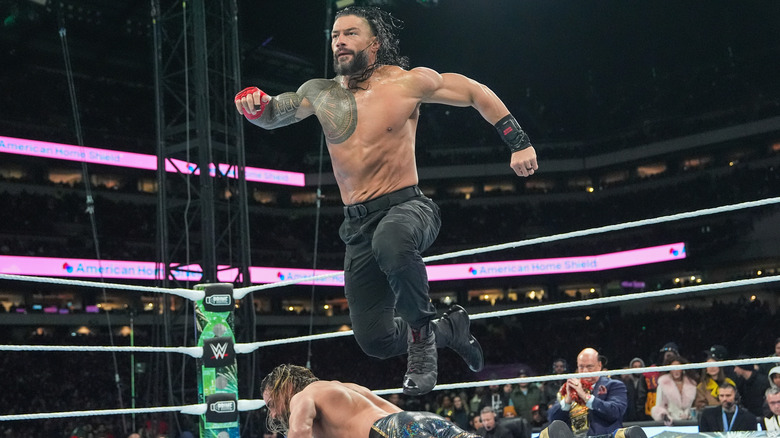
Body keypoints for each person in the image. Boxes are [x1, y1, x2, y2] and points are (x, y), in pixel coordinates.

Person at [236, 6, 538, 396]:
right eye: (335, 35)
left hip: (407, 208)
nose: (340, 40)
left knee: (391, 241)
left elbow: (476, 92)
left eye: (350, 33)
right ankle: (448, 330)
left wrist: (518, 141)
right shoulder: (320, 93)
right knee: (373, 340)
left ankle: (422, 344)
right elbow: (276, 113)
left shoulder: (406, 84)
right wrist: (255, 106)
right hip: (357, 225)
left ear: (374, 44)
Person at [259, 364, 571, 438]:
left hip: (391, 432)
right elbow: (404, 417)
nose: (272, 412)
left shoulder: (304, 395)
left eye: (271, 402)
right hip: (419, 422)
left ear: (286, 389)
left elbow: (298, 433)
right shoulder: (344, 388)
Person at [547, 348, 645, 438]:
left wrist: (586, 397)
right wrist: (567, 400)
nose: (585, 371)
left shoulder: (615, 385)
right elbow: (552, 420)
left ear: (599, 366)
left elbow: (615, 412)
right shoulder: (570, 387)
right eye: (581, 367)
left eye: (589, 367)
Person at [650, 355, 697, 425]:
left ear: (683, 369)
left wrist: (688, 414)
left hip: (688, 422)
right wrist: (665, 416)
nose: (676, 370)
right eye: (673, 368)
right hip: (671, 423)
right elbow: (659, 406)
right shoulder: (663, 384)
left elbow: (694, 405)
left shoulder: (691, 384)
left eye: (678, 367)